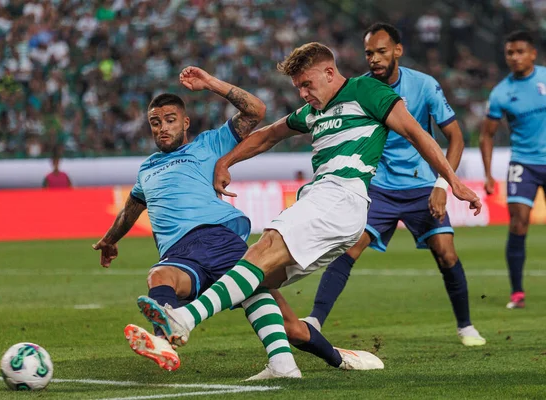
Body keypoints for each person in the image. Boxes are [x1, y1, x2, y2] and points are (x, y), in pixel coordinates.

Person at [136, 43, 482, 363]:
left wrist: (451, 181)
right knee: (258, 281)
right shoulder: (314, 110)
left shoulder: (368, 91)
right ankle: (305, 362)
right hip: (334, 207)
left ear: (329, 73)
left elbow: (417, 133)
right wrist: (226, 162)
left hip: (340, 194)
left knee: (261, 249)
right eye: (298, 87)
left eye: (306, 84)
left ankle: (183, 318)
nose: (303, 94)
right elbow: (268, 135)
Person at [93, 67, 374, 380]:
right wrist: (110, 239)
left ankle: (337, 359)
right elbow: (132, 207)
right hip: (181, 252)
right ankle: (166, 342)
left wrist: (210, 83)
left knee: (293, 328)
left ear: (185, 123)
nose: (162, 128)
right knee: (160, 276)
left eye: (170, 120)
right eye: (155, 122)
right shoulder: (146, 169)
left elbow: (256, 110)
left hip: (219, 238)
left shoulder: (209, 144)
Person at [300, 23, 485, 347]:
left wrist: (442, 184)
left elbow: (455, 136)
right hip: (378, 187)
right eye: (369, 52)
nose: (374, 58)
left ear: (397, 51)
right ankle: (314, 320)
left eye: (382, 51)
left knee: (446, 254)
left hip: (421, 185)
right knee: (350, 247)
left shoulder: (424, 85)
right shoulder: (361, 90)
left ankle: (466, 326)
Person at [480, 31, 546, 309]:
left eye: (520, 51)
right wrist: (488, 174)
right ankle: (517, 292)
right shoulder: (501, 93)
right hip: (523, 163)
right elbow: (487, 135)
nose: (515, 57)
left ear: (533, 53)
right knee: (518, 223)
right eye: (510, 53)